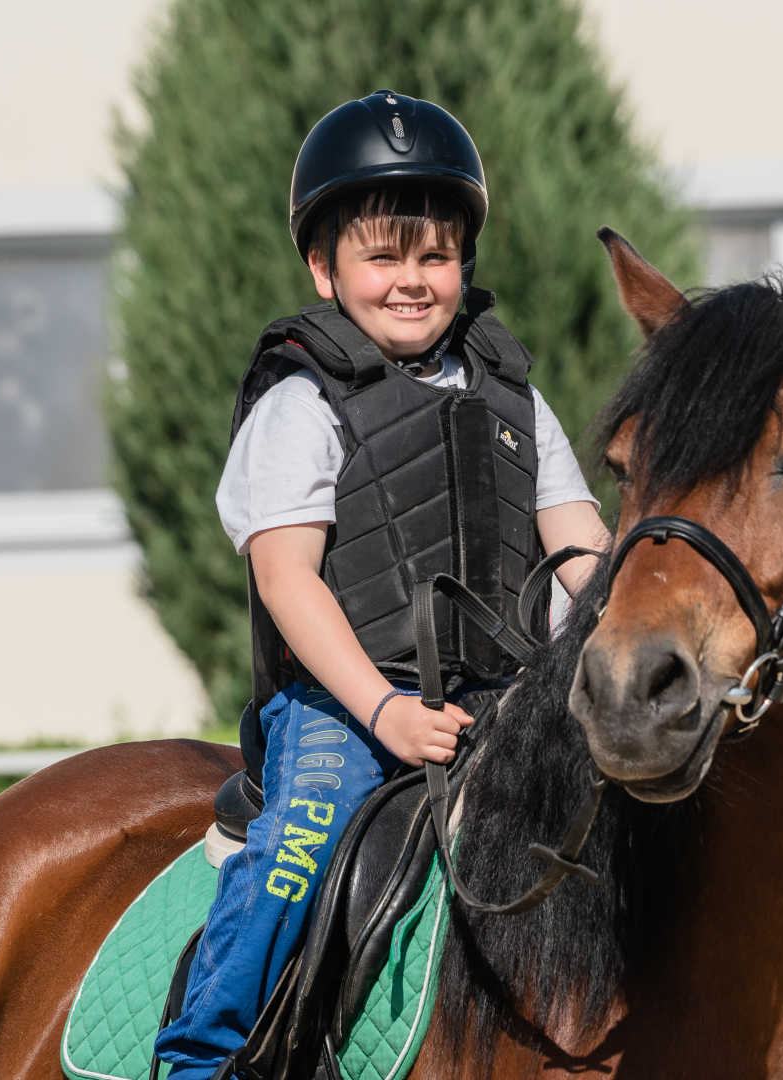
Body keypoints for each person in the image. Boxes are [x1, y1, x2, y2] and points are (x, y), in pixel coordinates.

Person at [153, 90, 610, 1080]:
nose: (413, 281)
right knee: (296, 851)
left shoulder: (512, 395)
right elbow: (288, 581)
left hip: (506, 696)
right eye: (383, 256)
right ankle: (201, 1056)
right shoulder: (300, 402)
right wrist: (386, 711)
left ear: (464, 263)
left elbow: (577, 543)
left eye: (435, 256)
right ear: (325, 267)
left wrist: (602, 640)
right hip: (343, 706)